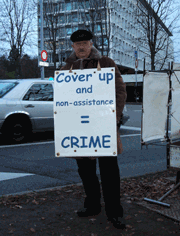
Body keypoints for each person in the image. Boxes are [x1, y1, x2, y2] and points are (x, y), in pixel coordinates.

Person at [61, 29, 127, 230]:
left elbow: (120, 91)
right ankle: (92, 206)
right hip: (80, 131)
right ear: (72, 46)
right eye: (77, 44)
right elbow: (64, 99)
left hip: (103, 127)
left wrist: (114, 118)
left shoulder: (106, 63)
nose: (81, 47)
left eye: (85, 43)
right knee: (86, 173)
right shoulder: (67, 68)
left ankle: (115, 212)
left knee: (109, 173)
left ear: (91, 44)